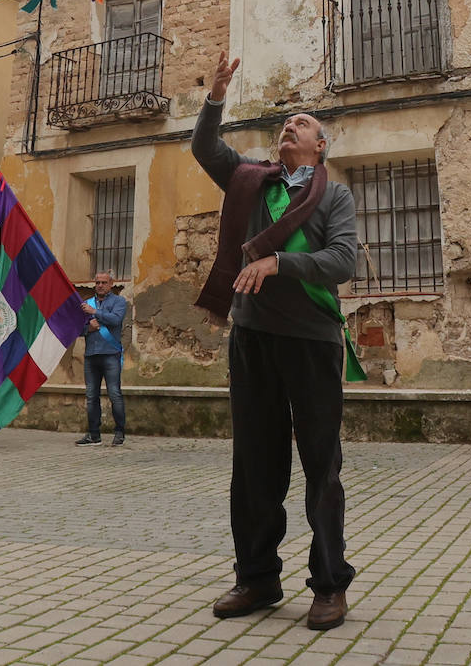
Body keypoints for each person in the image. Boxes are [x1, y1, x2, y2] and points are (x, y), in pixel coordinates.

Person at [191, 52, 359, 631]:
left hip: (311, 341)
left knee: (321, 465)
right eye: (287, 121)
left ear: (320, 148)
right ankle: (257, 579)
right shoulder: (250, 180)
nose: (291, 125)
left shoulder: (334, 198)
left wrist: (279, 263)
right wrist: (215, 99)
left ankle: (329, 584)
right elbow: (207, 151)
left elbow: (342, 261)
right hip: (254, 338)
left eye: (304, 124)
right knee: (255, 463)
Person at [76, 271, 128, 447]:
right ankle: (94, 434)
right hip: (91, 355)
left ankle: (119, 432)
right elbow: (77, 329)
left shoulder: (119, 302)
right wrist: (87, 329)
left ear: (111, 284)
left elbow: (115, 319)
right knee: (91, 396)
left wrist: (94, 312)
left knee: (114, 394)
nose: (100, 285)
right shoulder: (86, 304)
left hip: (110, 354)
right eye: (97, 282)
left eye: (104, 282)